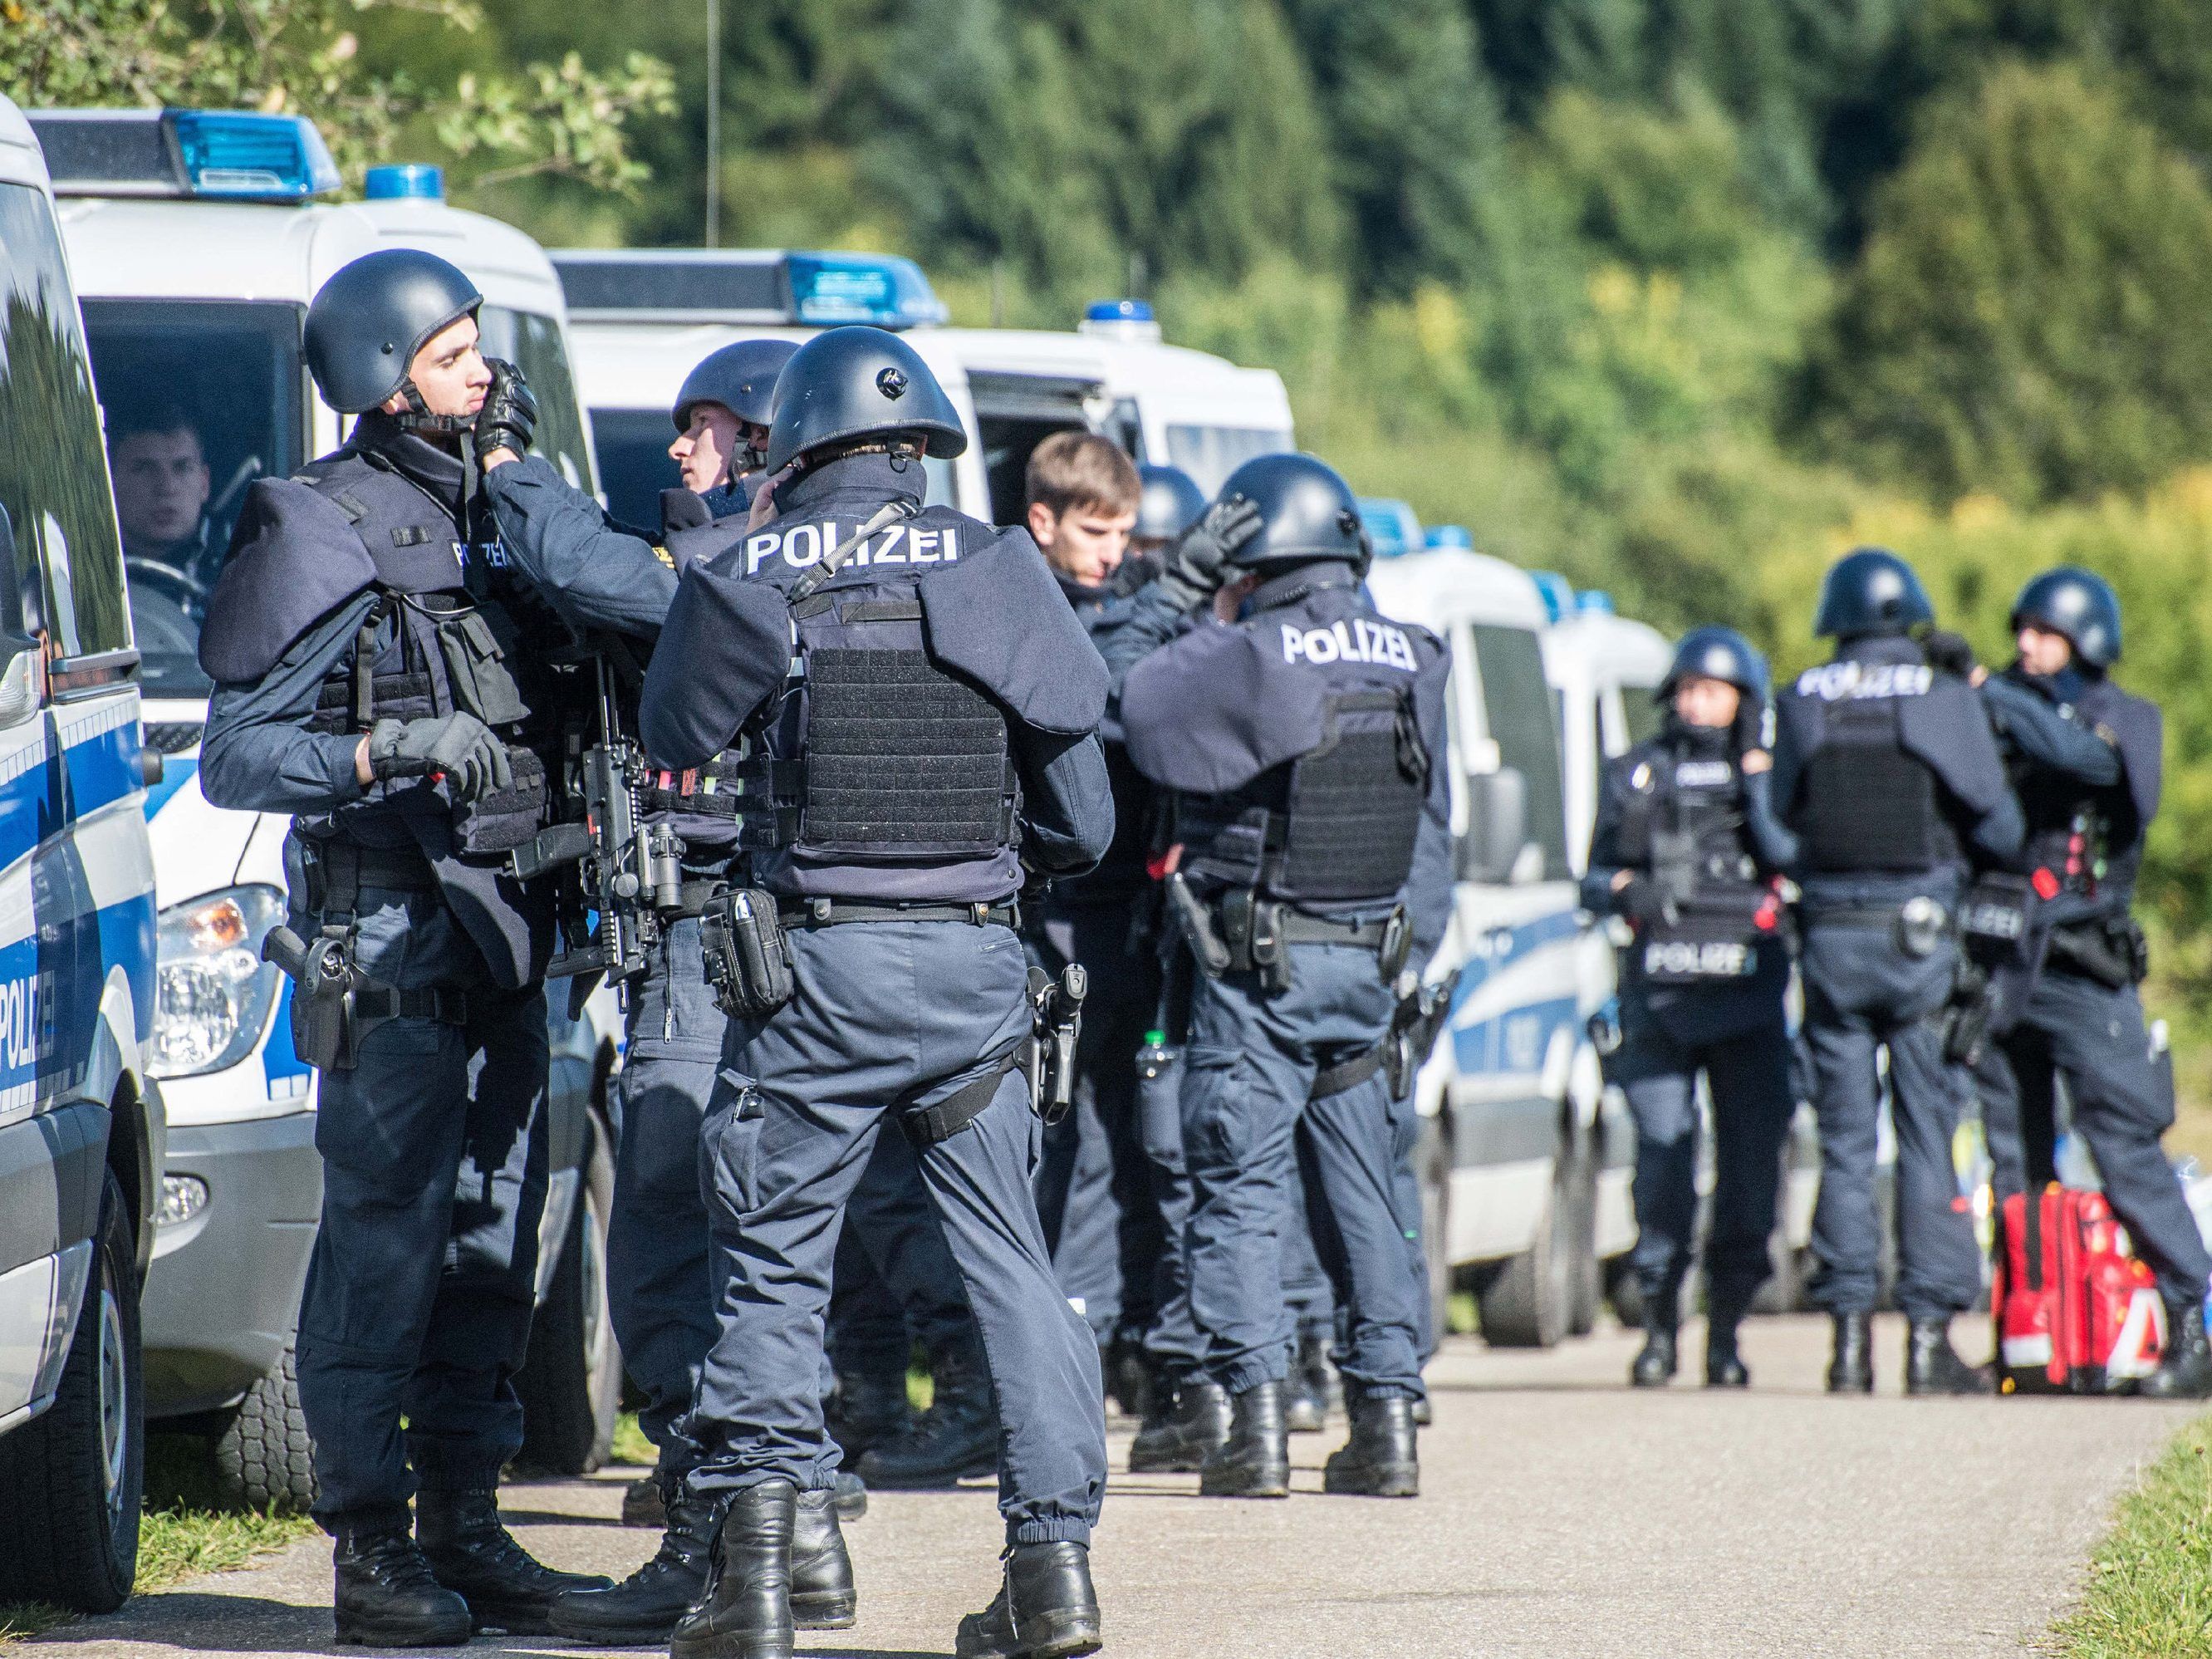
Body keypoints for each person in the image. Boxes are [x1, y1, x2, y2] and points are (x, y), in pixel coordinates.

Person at [639, 325, 1116, 1659]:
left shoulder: (741, 566)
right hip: (973, 974)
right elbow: (1082, 817)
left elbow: (673, 739)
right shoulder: (995, 564)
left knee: (773, 1267)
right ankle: (1051, 1570)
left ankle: (758, 1583)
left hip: (813, 976)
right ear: (920, 448)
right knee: (1012, 1267)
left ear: (795, 440)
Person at [195, 248, 611, 1645]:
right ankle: (370, 1546)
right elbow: (236, 756)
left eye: (481, 347)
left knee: (496, 1240)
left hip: (510, 933)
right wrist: (388, 743)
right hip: (388, 945)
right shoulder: (320, 523)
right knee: (384, 1248)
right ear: (381, 376)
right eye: (451, 354)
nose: (482, 371)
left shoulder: (498, 506)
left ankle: (470, 1527)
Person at [473, 335, 871, 1645]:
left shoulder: (730, 569)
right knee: (740, 1220)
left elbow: (598, 569)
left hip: (715, 937)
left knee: (667, 1210)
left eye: (705, 431)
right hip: (706, 930)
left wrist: (510, 468)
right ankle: (793, 1524)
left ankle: (725, 1521)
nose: (681, 451)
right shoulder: (741, 559)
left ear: (766, 449)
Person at [1111, 452, 1453, 1499]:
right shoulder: (1414, 655)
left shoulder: (1248, 653)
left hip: (1256, 970)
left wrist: (1173, 591)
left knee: (1239, 1191)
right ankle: (1386, 1424)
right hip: (1366, 968)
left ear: (1250, 555)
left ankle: (1253, 1431)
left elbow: (1110, 686)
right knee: (1362, 1192)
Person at [1949, 569, 2212, 1397]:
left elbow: (2090, 765)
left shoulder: (2125, 718)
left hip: (2086, 970)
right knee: (2012, 1161)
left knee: (2124, 1147)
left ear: (2085, 637)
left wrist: (1987, 689)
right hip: (2006, 969)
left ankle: (2190, 1322)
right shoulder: (1999, 715)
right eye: (2018, 630)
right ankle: (2023, 1332)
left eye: (2043, 631)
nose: (2025, 644)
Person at [1769, 547, 2022, 1396]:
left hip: (1831, 941)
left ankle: (1845, 1344)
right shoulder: (1941, 697)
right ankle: (1923, 1340)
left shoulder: (1802, 697)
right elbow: (1999, 826)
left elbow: (1777, 825)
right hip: (1917, 940)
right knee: (1925, 1137)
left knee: (1843, 1142)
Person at [1583, 627, 1795, 1388]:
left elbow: (1795, 858)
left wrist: (1760, 782)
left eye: (1712, 690)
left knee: (1747, 1175)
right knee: (1662, 1165)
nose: (1694, 702)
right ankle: (1660, 1330)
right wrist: (1624, 890)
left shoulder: (1771, 779)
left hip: (1747, 1004)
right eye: (1685, 688)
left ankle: (1726, 1334)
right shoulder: (1636, 774)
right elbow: (1592, 874)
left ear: (1744, 701)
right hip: (1661, 1002)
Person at [1022, 433, 1160, 1391]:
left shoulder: (1130, 612)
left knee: (1110, 1138)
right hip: (1031, 920)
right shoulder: (1011, 606)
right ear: (1043, 521)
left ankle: (1087, 1333)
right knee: (1034, 1140)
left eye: (1124, 532)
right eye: (1093, 528)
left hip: (1114, 926)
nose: (1110, 549)